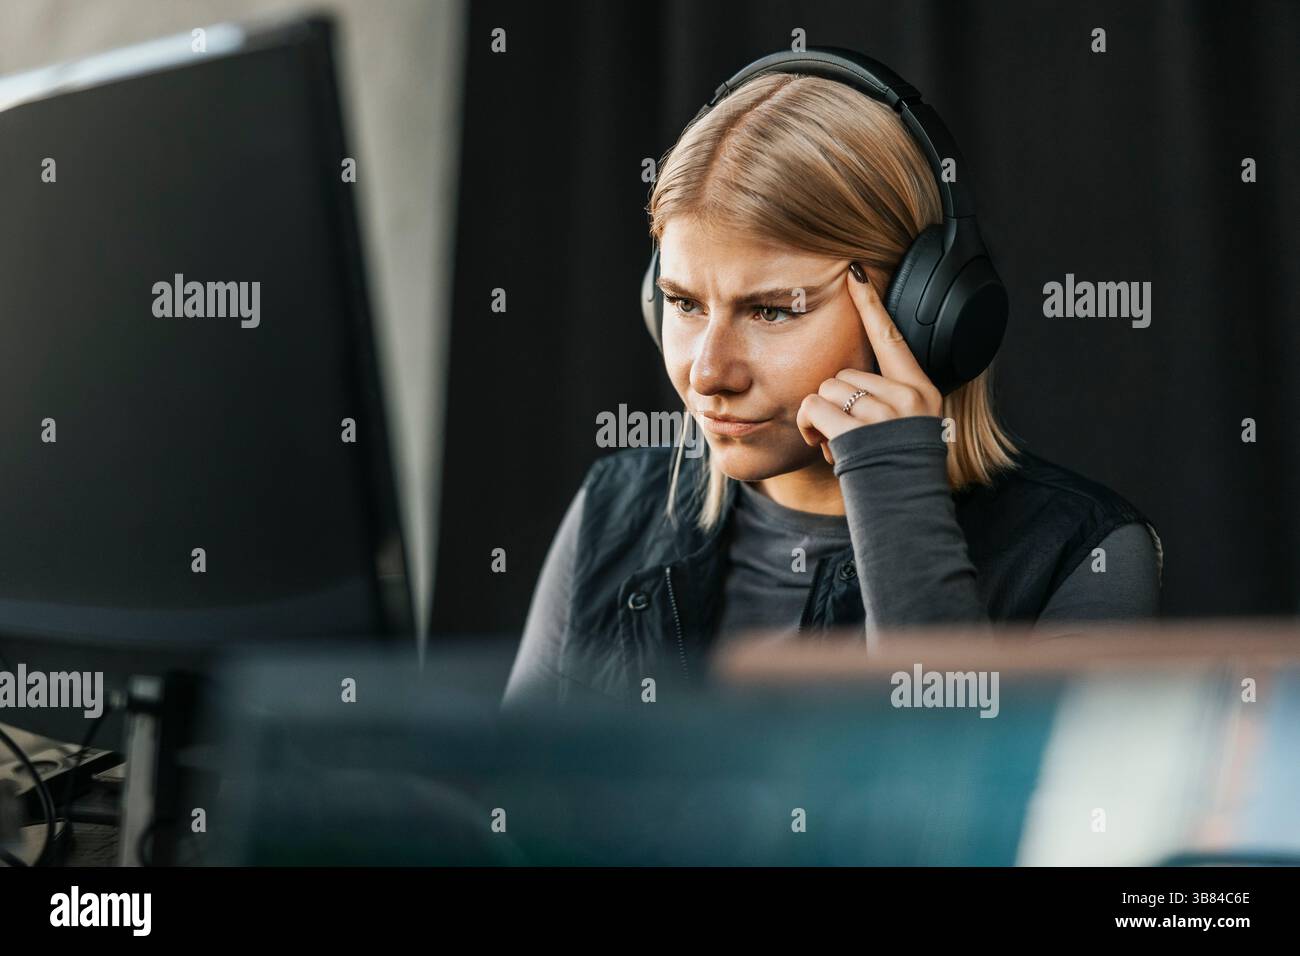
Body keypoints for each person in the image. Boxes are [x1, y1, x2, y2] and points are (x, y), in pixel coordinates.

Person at [503, 59, 1161, 709]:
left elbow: (956, 800)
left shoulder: (1082, 553)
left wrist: (894, 490)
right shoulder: (613, 510)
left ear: (923, 309)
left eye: (774, 310)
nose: (708, 373)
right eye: (684, 303)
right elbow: (517, 799)